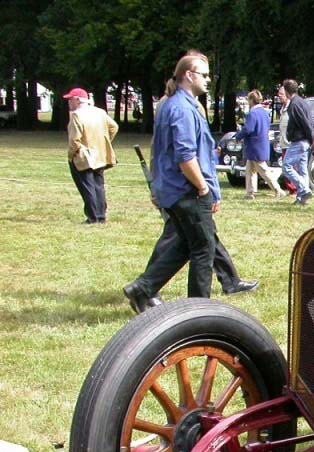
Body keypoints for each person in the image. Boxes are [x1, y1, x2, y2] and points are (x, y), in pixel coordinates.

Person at [123, 51, 221, 308]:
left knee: (187, 244)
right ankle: (199, 311)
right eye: (204, 75)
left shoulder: (171, 105)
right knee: (203, 249)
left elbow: (160, 150)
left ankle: (143, 287)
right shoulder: (182, 109)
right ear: (189, 75)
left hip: (173, 190)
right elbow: (185, 156)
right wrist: (202, 187)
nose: (208, 80)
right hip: (186, 191)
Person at [64, 87, 118, 224]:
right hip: (100, 155)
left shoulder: (76, 115)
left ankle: (93, 217)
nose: (69, 102)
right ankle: (101, 216)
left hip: (83, 156)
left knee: (88, 187)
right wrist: (104, 142)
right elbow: (114, 127)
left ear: (77, 100)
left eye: (70, 99)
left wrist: (70, 156)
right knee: (99, 186)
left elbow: (74, 141)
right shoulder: (100, 112)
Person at [234, 89, 286, 200]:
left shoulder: (253, 113)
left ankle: (278, 190)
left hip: (255, 146)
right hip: (262, 144)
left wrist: (238, 136)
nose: (248, 101)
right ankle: (250, 193)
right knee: (250, 170)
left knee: (263, 170)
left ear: (252, 100)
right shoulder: (264, 112)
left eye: (249, 99)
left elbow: (248, 129)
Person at [278, 79, 314, 205]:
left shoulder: (295, 104)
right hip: (304, 141)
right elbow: (309, 122)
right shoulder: (302, 102)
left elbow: (306, 123)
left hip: (299, 141)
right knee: (302, 170)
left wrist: (313, 140)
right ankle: (302, 199)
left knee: (286, 167)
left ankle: (304, 189)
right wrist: (313, 140)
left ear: (286, 90)